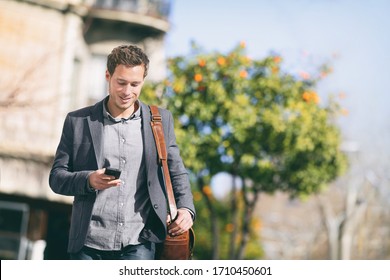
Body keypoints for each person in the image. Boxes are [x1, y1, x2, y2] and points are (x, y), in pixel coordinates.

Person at [49, 45, 195, 260]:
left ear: (143, 81)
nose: (128, 92)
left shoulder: (161, 121)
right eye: (121, 83)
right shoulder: (77, 121)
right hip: (88, 245)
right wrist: (88, 180)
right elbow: (56, 178)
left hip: (140, 242)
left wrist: (186, 208)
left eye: (135, 84)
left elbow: (176, 171)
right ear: (108, 76)